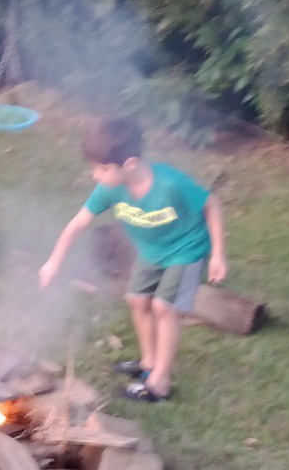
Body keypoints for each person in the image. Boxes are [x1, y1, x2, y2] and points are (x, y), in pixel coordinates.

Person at [38, 117, 226, 402]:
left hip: (186, 250)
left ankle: (160, 384)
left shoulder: (170, 184)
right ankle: (148, 363)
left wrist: (218, 255)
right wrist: (53, 261)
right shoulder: (110, 188)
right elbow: (78, 223)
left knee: (165, 307)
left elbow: (211, 205)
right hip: (150, 252)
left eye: (102, 169)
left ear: (129, 165)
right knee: (137, 300)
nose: (95, 176)